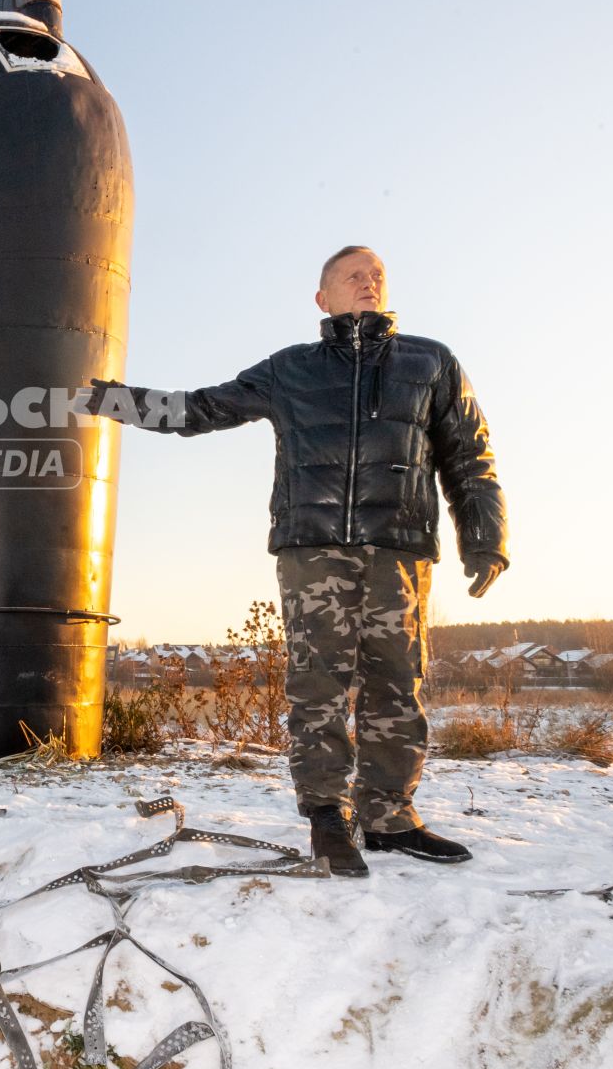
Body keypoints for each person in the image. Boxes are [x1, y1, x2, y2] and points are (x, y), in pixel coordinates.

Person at [87, 245, 508, 877]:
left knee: (398, 686)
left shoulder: (430, 362)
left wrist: (485, 536)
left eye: (376, 276)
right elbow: (200, 408)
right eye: (352, 276)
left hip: (399, 550)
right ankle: (327, 817)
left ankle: (391, 817)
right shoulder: (291, 370)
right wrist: (115, 401)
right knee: (319, 686)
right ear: (323, 298)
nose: (367, 282)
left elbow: (469, 454)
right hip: (313, 550)